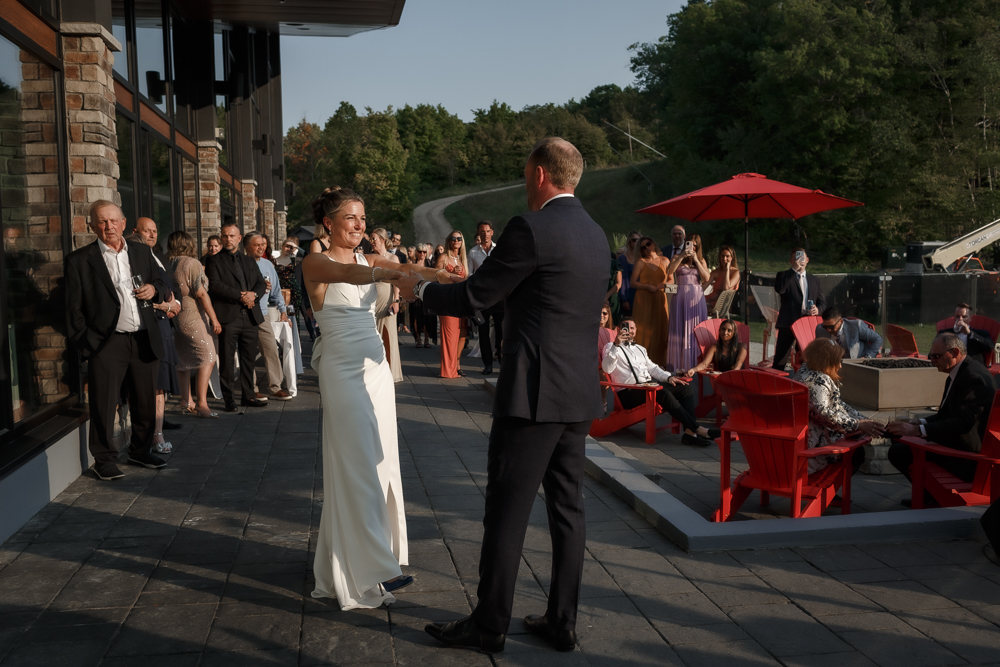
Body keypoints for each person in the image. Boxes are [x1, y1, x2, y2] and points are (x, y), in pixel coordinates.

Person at [399, 138, 609, 654]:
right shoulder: (596, 233)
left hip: (534, 393)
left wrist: (420, 289)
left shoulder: (531, 227)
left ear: (539, 174)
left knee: (507, 509)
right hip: (578, 391)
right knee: (568, 510)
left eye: (524, 173)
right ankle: (561, 620)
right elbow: (539, 298)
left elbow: (476, 295)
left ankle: (490, 623)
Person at [301, 186, 445, 609]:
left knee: (382, 463)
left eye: (363, 218)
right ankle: (373, 566)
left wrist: (450, 278)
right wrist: (384, 274)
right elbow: (346, 275)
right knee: (357, 463)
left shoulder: (371, 259)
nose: (359, 225)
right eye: (351, 217)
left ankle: (374, 557)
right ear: (329, 223)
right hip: (342, 371)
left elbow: (414, 270)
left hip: (376, 371)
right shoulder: (315, 262)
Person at [65, 200, 168, 480]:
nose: (108, 226)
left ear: (123, 223)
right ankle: (104, 459)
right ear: (92, 226)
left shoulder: (142, 251)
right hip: (107, 342)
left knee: (145, 401)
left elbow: (162, 284)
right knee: (103, 403)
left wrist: (154, 290)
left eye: (113, 220)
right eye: (102, 221)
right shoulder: (79, 260)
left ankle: (140, 451)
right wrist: (89, 344)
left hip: (144, 337)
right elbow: (73, 311)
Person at [887, 333, 997, 496]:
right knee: (896, 435)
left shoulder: (973, 378)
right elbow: (949, 414)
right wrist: (919, 423)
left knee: (898, 452)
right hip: (959, 444)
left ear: (955, 353)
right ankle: (927, 494)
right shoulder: (960, 372)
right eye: (931, 356)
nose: (932, 360)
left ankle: (927, 496)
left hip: (967, 457)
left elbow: (963, 422)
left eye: (936, 356)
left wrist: (917, 431)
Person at [604, 318, 718, 447]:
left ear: (635, 330)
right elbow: (607, 368)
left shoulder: (640, 349)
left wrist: (669, 378)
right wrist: (616, 345)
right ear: (618, 329)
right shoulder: (610, 346)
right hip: (629, 392)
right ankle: (698, 429)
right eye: (626, 327)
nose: (629, 331)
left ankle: (689, 434)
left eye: (632, 328)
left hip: (647, 387)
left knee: (685, 388)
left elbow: (653, 368)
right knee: (663, 393)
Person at [793, 339, 885, 474]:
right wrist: (857, 425)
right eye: (838, 361)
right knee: (856, 454)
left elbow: (839, 405)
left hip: (807, 435)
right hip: (813, 445)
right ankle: (826, 486)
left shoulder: (805, 370)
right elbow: (824, 413)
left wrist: (863, 420)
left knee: (857, 450)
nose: (840, 366)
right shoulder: (818, 381)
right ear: (826, 361)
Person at [130, 223, 182, 453]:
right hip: (146, 327)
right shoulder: (131, 265)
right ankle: (148, 434)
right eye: (146, 231)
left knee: (160, 386)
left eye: (154, 231)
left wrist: (174, 303)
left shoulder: (159, 259)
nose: (152, 235)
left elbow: (172, 288)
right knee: (147, 386)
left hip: (163, 327)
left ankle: (157, 433)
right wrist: (163, 305)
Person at [205, 222, 268, 412]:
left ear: (239, 238)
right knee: (227, 360)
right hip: (228, 316)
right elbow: (215, 285)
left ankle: (248, 396)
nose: (228, 239)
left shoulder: (249, 260)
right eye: (225, 236)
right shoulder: (214, 261)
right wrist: (242, 296)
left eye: (232, 235)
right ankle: (229, 399)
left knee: (249, 360)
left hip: (250, 316)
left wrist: (253, 295)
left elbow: (261, 283)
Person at [167, 231, 221, 419]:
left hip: (177, 318)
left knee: (183, 359)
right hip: (193, 316)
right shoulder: (192, 263)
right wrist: (214, 319)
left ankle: (186, 400)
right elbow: (201, 293)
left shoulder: (169, 263)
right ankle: (202, 403)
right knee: (209, 356)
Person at [244, 232, 292, 401]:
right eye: (257, 245)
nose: (261, 248)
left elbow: (277, 290)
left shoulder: (267, 264)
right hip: (244, 314)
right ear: (247, 247)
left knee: (271, 349)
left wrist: (283, 311)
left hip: (262, 314)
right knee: (248, 352)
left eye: (263, 244)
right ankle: (252, 388)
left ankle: (275, 387)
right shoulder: (241, 264)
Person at [772, 247, 825, 371]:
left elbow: (822, 302)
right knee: (781, 357)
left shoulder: (814, 280)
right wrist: (793, 271)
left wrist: (818, 310)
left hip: (806, 322)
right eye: (796, 258)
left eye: (802, 258)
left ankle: (803, 379)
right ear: (791, 260)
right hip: (788, 322)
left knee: (806, 356)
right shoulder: (783, 275)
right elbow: (780, 289)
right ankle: (775, 380)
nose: (800, 260)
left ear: (807, 260)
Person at [666, 233, 710, 371]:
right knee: (679, 329)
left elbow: (707, 278)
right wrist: (681, 256)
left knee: (694, 331)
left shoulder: (701, 260)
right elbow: (669, 271)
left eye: (695, 246)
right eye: (690, 244)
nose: (692, 248)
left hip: (696, 297)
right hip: (680, 297)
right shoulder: (676, 257)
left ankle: (694, 365)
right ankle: (678, 365)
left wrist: (696, 260)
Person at [468, 220, 504, 375]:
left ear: (492, 232)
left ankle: (501, 361)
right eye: (482, 231)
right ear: (478, 233)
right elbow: (469, 274)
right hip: (481, 298)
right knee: (483, 332)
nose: (485, 234)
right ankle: (488, 364)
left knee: (501, 331)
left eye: (488, 231)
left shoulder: (499, 250)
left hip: (498, 297)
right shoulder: (473, 253)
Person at [630, 236, 671, 366]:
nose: (647, 248)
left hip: (659, 298)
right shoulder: (641, 262)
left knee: (660, 330)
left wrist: (664, 284)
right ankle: (640, 364)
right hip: (643, 300)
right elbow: (632, 282)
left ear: (653, 244)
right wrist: (647, 286)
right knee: (642, 330)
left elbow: (672, 279)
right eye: (643, 247)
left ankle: (659, 364)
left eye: (648, 244)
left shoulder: (665, 260)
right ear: (641, 250)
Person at [370, 228, 403, 383]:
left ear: (382, 239)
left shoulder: (392, 258)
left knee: (388, 335)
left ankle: (391, 371)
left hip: (387, 298)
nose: (371, 242)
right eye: (370, 239)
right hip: (372, 300)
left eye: (374, 239)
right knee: (373, 336)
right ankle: (375, 372)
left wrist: (396, 300)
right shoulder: (370, 258)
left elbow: (397, 281)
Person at [435, 230, 469, 378]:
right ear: (449, 241)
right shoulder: (444, 257)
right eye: (453, 238)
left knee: (462, 334)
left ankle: (456, 365)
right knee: (449, 335)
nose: (456, 241)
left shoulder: (462, 259)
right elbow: (435, 275)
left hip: (461, 301)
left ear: (462, 242)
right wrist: (451, 274)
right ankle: (448, 371)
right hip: (447, 301)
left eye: (459, 238)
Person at [815, 308, 881, 359]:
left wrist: (867, 357)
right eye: (825, 326)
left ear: (841, 321)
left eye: (831, 327)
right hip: (832, 365)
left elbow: (877, 338)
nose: (828, 329)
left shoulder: (855, 326)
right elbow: (818, 350)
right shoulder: (820, 329)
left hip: (856, 364)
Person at [704, 245, 741, 313]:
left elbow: (726, 288)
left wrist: (727, 270)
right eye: (722, 256)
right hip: (709, 300)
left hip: (720, 306)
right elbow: (703, 287)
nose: (724, 259)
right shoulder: (716, 272)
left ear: (732, 257)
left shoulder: (735, 273)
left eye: (727, 256)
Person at [616, 231, 641, 319]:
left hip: (641, 293)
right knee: (628, 320)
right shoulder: (623, 258)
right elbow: (623, 279)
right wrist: (624, 299)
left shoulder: (642, 258)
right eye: (634, 240)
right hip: (629, 293)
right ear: (629, 242)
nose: (637, 242)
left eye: (639, 240)